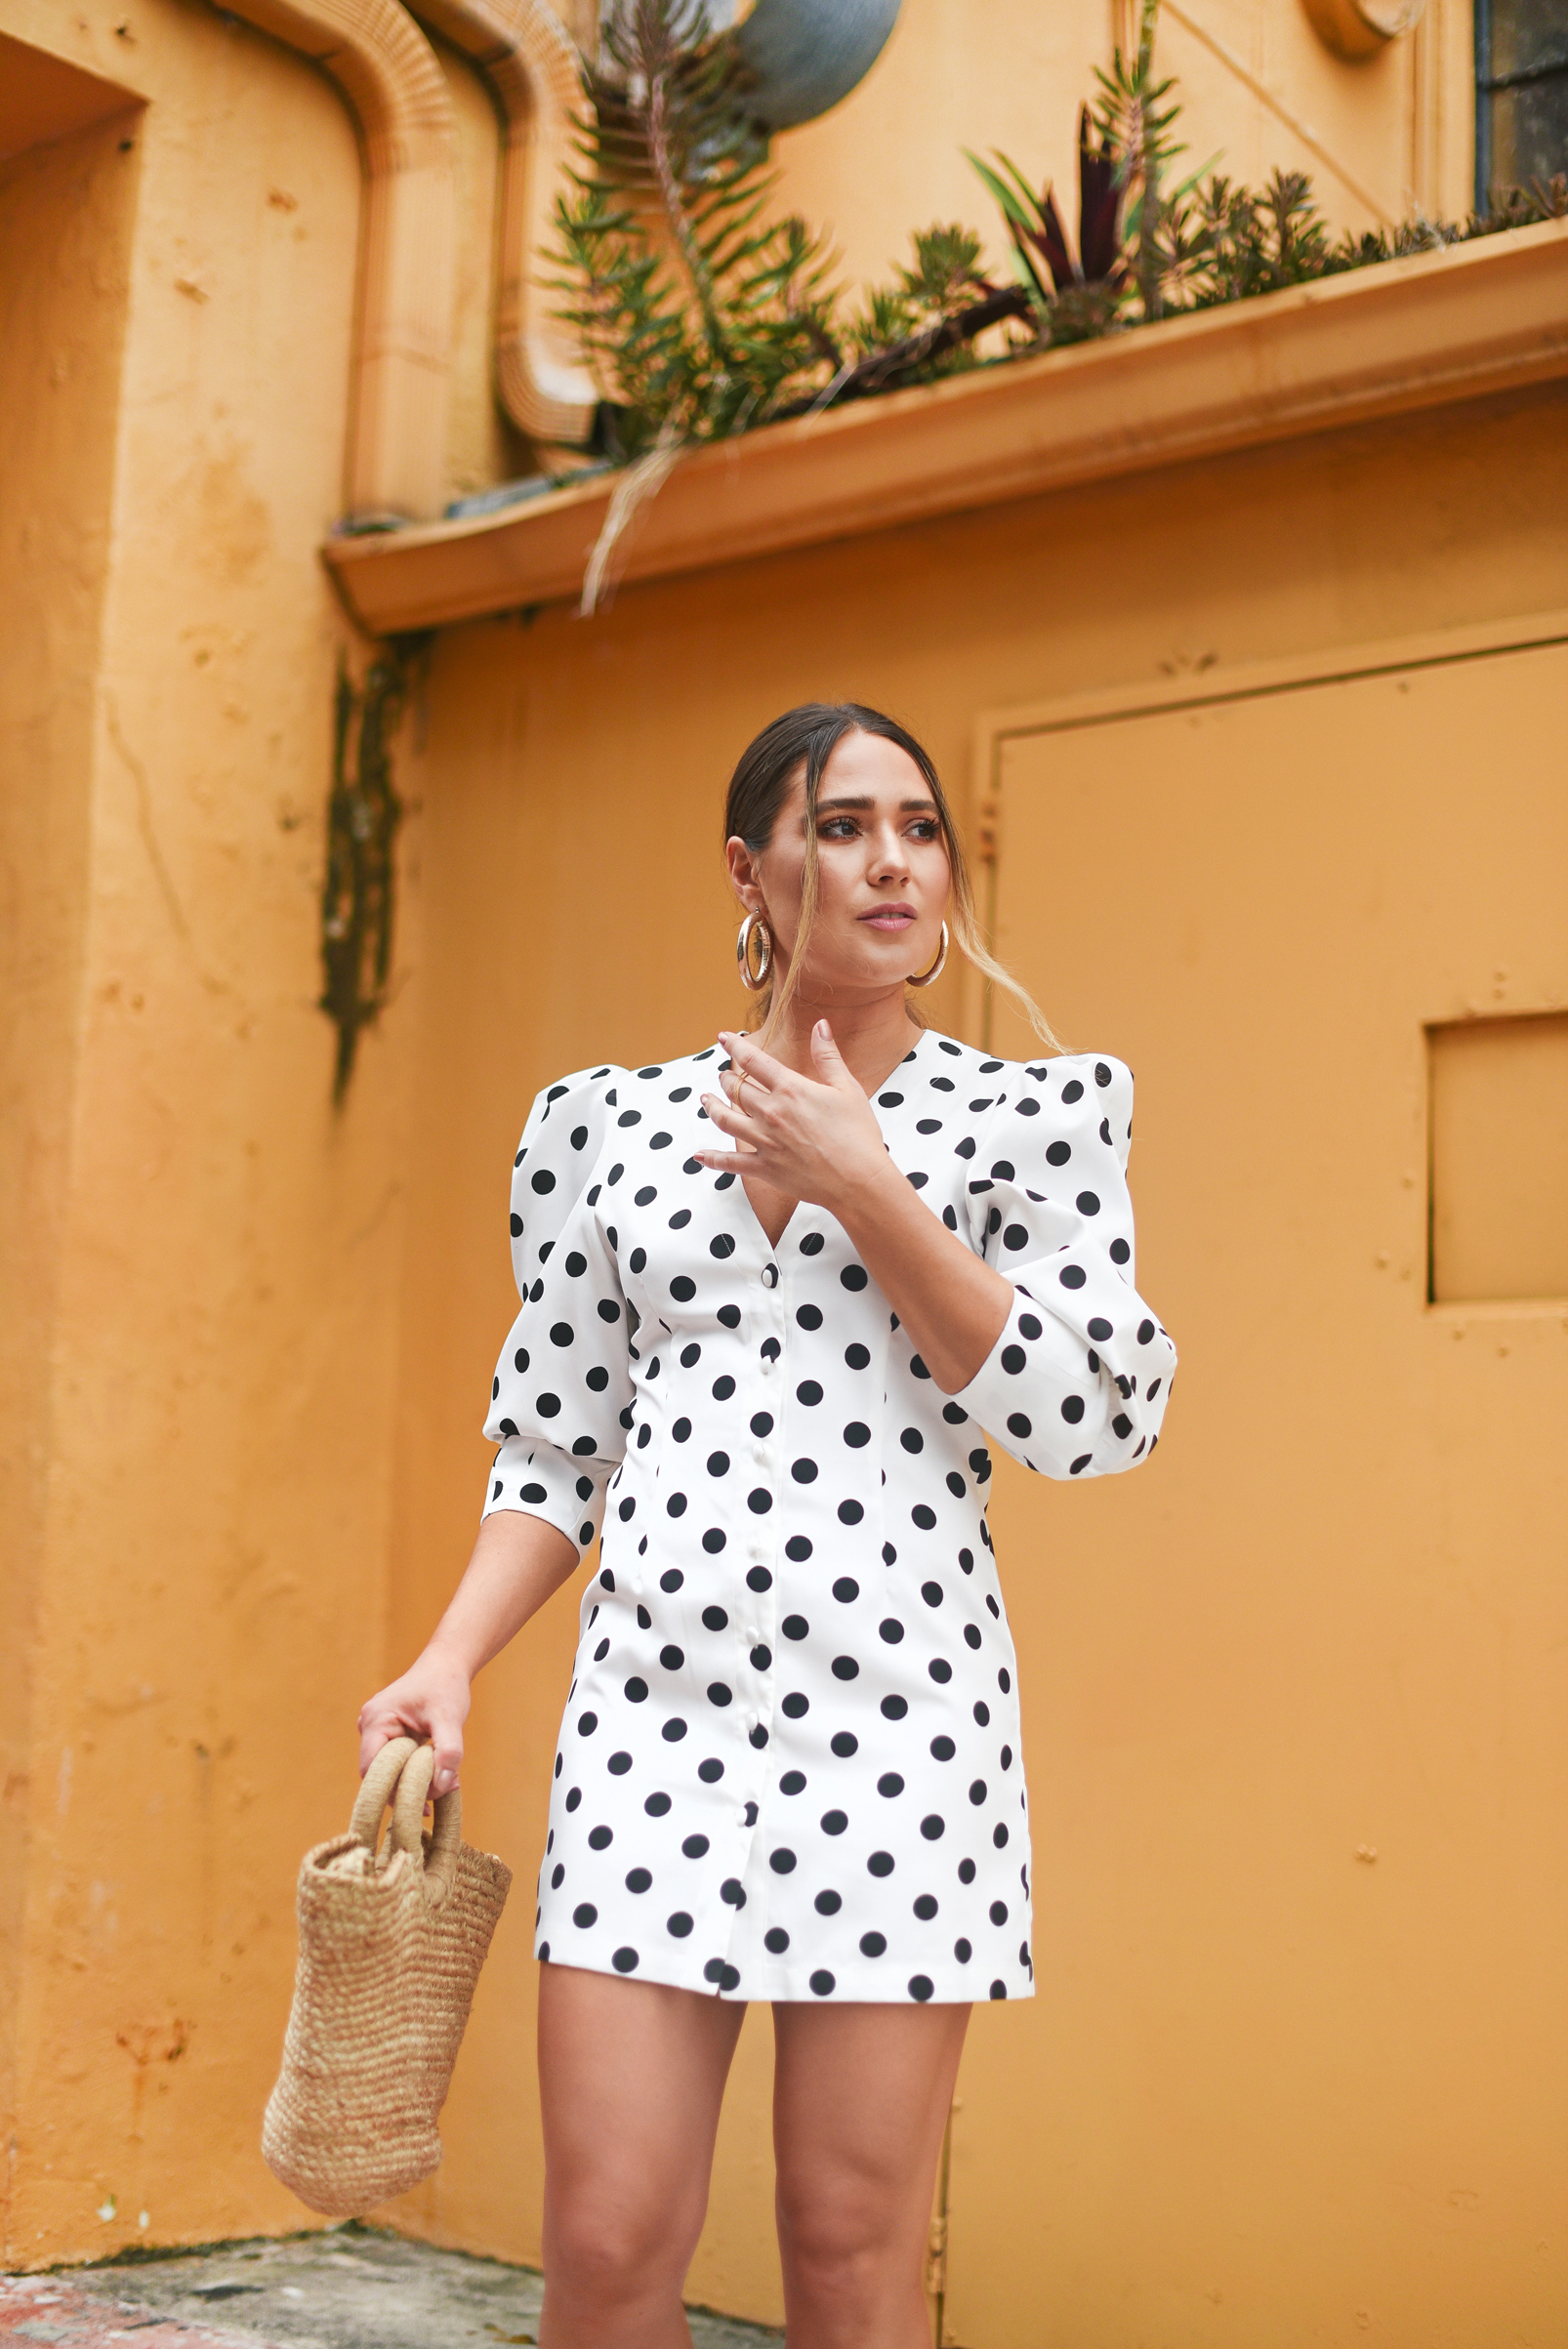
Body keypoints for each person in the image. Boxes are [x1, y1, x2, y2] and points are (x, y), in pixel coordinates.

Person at [357, 702, 1177, 2349]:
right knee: (600, 2238)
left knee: (848, 2237)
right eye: (845, 822)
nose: (892, 860)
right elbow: (554, 1439)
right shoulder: (605, 1127)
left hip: (903, 1735)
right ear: (751, 868)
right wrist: (448, 1657)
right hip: (650, 1729)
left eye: (921, 826)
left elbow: (1096, 1418)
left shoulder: (1034, 1117)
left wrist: (871, 1186)